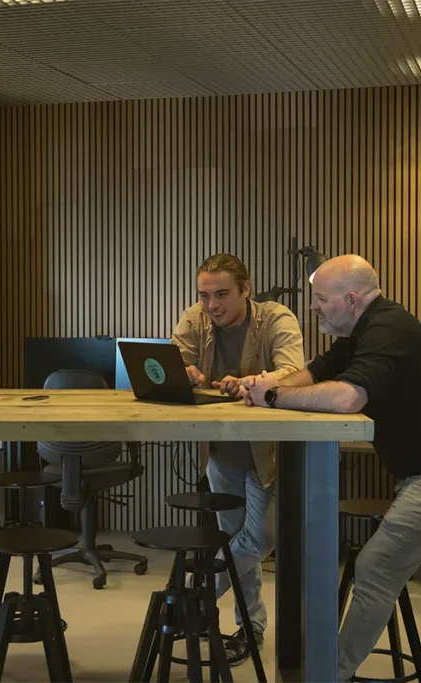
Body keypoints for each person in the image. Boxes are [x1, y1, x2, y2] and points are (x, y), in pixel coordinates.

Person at [241, 254, 421, 683]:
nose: (314, 307)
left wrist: (272, 399)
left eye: (320, 299)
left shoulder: (387, 329)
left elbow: (347, 398)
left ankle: (330, 675)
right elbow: (320, 371)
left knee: (378, 567)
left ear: (351, 298)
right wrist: (269, 384)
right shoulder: (364, 327)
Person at [170, 252, 305, 664]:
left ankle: (196, 596)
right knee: (234, 542)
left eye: (222, 294)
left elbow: (295, 371)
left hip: (268, 452)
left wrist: (251, 381)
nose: (212, 305)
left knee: (259, 538)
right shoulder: (197, 317)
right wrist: (185, 372)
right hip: (221, 450)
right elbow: (171, 357)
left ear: (246, 290)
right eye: (205, 295)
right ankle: (250, 628)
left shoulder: (277, 317)